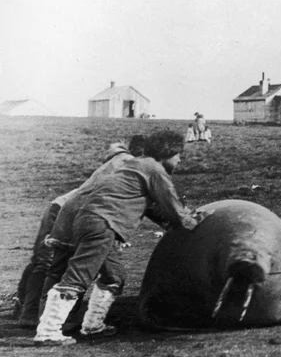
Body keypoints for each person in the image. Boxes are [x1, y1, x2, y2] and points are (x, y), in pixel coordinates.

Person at [33, 129, 202, 346]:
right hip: (102, 224)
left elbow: (154, 207)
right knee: (78, 275)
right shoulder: (154, 170)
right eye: (178, 154)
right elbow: (173, 207)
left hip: (92, 221)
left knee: (114, 276)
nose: (179, 159)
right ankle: (48, 331)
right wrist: (195, 222)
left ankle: (93, 326)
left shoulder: (134, 164)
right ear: (167, 152)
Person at [15, 136, 146, 329]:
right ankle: (36, 315)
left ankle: (35, 313)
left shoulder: (116, 162)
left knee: (51, 265)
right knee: (54, 264)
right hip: (74, 212)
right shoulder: (129, 165)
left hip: (66, 209)